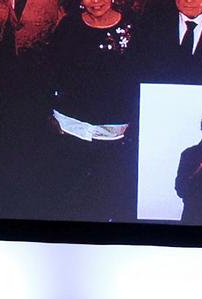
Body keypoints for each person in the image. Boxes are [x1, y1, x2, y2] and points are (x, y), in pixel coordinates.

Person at [44, 0, 136, 221]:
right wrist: (48, 113)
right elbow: (50, 71)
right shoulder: (69, 26)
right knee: (66, 205)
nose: (95, 2)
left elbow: (141, 77)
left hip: (114, 136)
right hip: (69, 130)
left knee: (106, 205)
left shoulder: (135, 28)